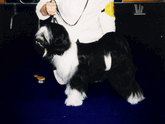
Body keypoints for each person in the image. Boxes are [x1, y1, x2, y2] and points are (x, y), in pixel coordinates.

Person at [36, 0, 116, 43]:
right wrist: (46, 9)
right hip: (64, 44)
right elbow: (40, 8)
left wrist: (111, 43)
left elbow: (107, 17)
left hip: (93, 45)